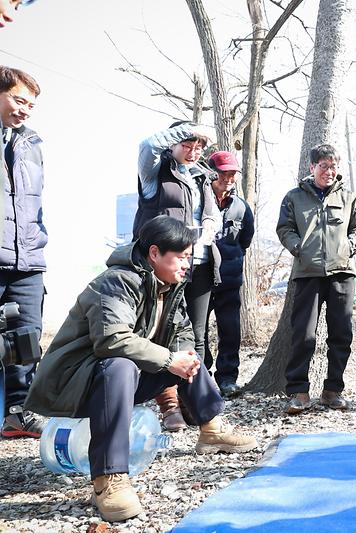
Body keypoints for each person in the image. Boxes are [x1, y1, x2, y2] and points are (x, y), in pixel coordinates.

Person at [24, 216, 257, 522]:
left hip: (117, 384)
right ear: (155, 253)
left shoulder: (170, 285)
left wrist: (181, 356)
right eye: (181, 257)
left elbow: (183, 331)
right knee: (120, 364)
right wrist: (168, 360)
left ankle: (212, 429)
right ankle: (109, 477)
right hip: (76, 383)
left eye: (189, 257)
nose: (187, 264)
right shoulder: (116, 282)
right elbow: (111, 340)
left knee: (187, 356)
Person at [133, 121, 222, 431]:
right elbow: (148, 145)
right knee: (162, 334)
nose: (193, 152)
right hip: (162, 268)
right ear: (173, 143)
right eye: (187, 144)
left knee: (195, 337)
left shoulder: (202, 177)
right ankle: (169, 405)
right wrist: (190, 128)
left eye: (199, 147)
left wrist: (209, 227)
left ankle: (196, 407)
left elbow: (211, 214)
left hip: (199, 264)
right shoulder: (156, 173)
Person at [276, 143, 356, 414]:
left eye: (333, 166)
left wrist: (350, 246)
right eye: (323, 166)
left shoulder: (349, 197)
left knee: (341, 334)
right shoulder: (294, 197)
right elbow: (284, 228)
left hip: (342, 274)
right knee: (303, 334)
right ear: (312, 167)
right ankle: (298, 392)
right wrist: (298, 248)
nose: (328, 171)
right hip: (307, 274)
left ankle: (333, 390)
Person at [1, 66, 46, 438]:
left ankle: (19, 412)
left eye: (30, 105)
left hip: (28, 258)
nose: (25, 110)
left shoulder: (31, 143)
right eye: (18, 100)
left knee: (26, 339)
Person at [203, 151, 254, 397]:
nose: (228, 178)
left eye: (232, 173)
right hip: (200, 281)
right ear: (212, 173)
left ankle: (227, 379)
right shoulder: (198, 200)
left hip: (230, 281)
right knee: (197, 331)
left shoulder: (242, 208)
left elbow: (245, 240)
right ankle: (203, 377)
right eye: (223, 172)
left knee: (230, 331)